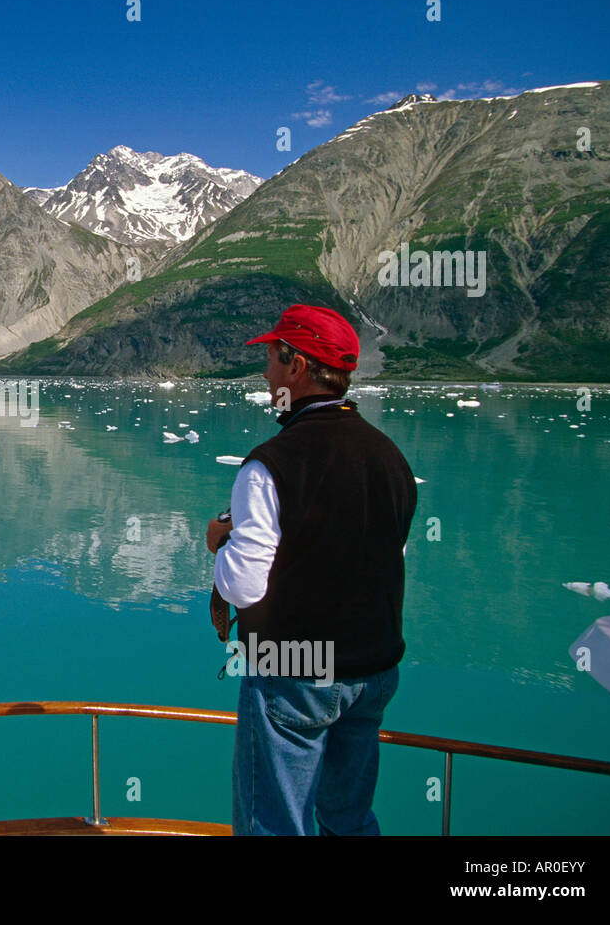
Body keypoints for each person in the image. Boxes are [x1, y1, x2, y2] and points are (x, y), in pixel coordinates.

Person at [206, 304, 417, 835]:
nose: (265, 374)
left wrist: (219, 543)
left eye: (273, 361)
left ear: (296, 366)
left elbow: (244, 585)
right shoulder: (392, 457)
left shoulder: (269, 463)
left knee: (274, 822)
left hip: (294, 669)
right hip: (373, 670)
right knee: (347, 817)